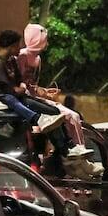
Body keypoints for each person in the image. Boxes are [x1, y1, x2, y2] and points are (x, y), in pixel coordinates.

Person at [17, 24, 88, 152]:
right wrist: (37, 92)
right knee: (65, 115)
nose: (47, 43)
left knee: (74, 116)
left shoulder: (37, 59)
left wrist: (44, 91)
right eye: (44, 39)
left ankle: (79, 148)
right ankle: (71, 147)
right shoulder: (22, 56)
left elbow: (32, 85)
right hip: (26, 100)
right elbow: (20, 84)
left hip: (34, 98)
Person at [0, 30, 65, 134]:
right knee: (48, 111)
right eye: (17, 45)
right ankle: (37, 120)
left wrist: (22, 88)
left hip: (19, 96)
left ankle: (59, 141)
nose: (20, 48)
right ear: (11, 46)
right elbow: (5, 89)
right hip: (6, 98)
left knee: (54, 110)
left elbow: (20, 80)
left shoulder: (11, 60)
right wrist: (19, 89)